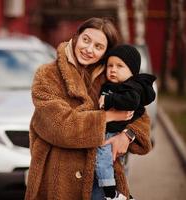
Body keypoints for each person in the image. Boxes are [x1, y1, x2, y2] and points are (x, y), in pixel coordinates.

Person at [25, 17, 152, 200]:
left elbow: (141, 116)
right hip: (59, 182)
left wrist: (128, 135)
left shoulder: (109, 78)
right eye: (86, 40)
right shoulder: (48, 75)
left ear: (105, 52)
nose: (89, 49)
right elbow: (60, 126)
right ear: (76, 37)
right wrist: (107, 116)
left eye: (99, 46)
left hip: (101, 183)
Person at [96, 44, 156, 200]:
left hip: (112, 133)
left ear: (132, 72)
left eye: (119, 66)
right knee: (109, 165)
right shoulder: (112, 85)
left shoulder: (130, 87)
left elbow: (131, 102)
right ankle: (120, 194)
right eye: (110, 65)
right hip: (107, 131)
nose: (113, 70)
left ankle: (111, 193)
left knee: (103, 161)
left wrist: (109, 100)